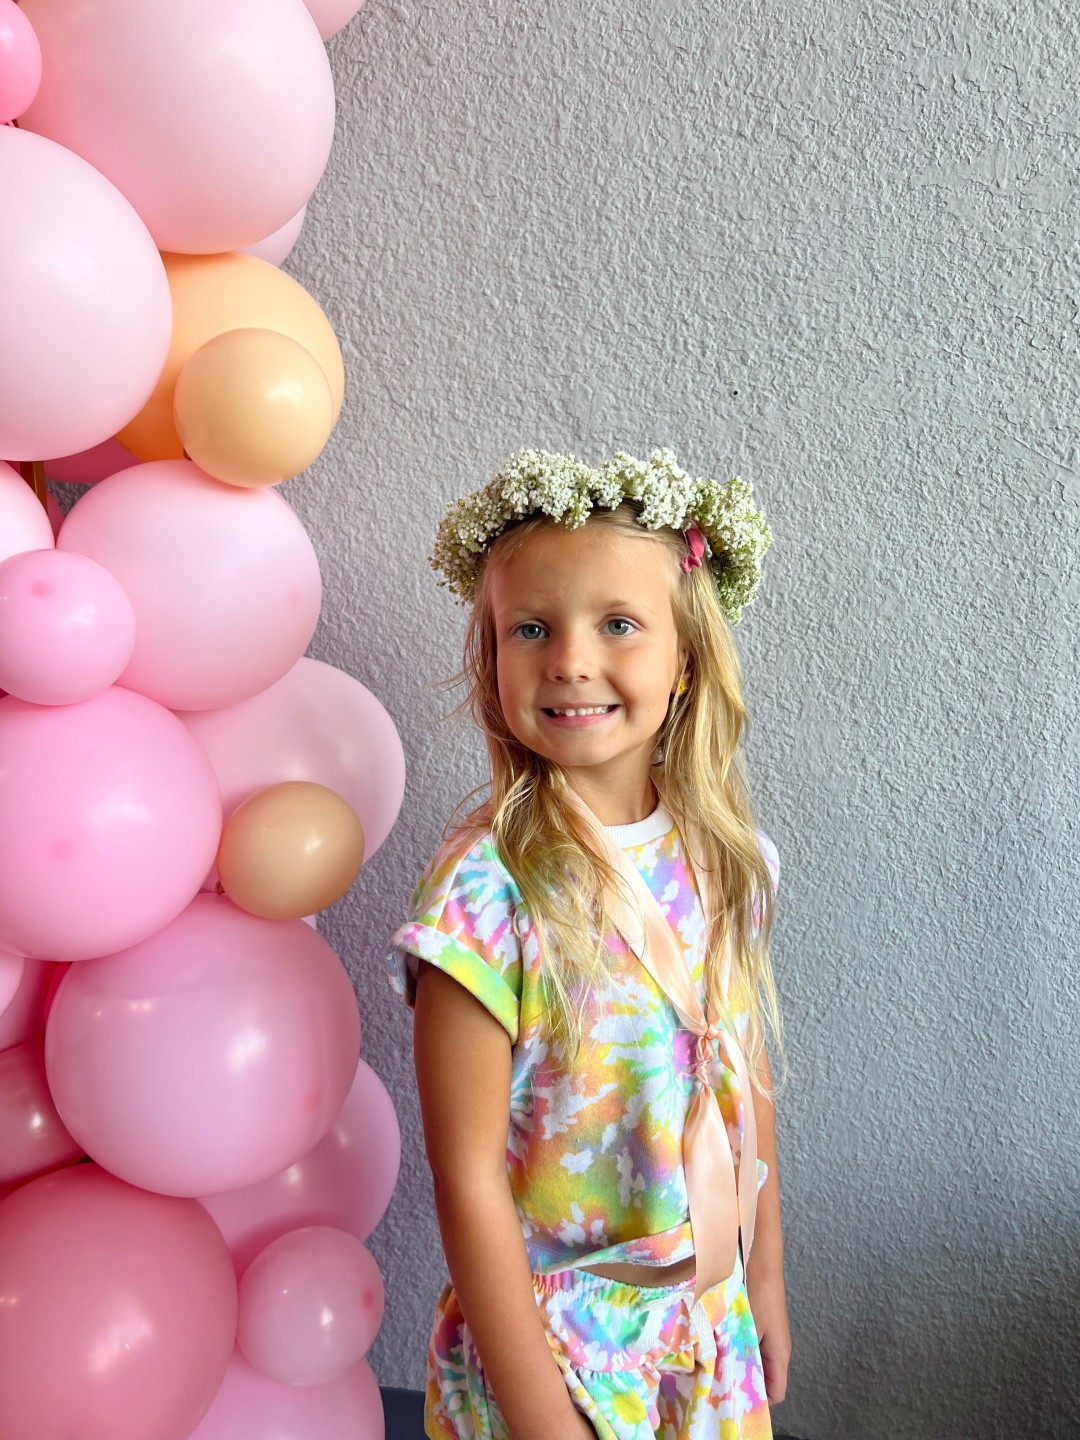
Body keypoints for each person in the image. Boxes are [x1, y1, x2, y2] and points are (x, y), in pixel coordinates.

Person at [388, 448, 790, 1440]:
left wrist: (764, 1277)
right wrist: (539, 1417)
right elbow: (468, 1175)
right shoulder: (485, 894)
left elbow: (742, 1076)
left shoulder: (728, 858)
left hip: (704, 1322)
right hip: (555, 1352)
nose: (570, 659)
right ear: (493, 658)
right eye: (531, 629)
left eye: (618, 624)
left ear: (684, 656)